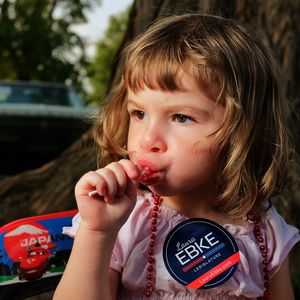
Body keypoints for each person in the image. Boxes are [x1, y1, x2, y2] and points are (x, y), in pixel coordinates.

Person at [53, 14, 300, 300]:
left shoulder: (263, 227)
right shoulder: (125, 221)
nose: (148, 140)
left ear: (242, 130)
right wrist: (97, 233)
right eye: (139, 114)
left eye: (181, 117)